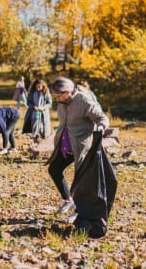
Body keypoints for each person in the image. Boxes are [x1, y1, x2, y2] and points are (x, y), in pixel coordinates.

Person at [47, 76, 109, 214]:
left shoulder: (84, 100)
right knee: (54, 169)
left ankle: (80, 211)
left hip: (82, 146)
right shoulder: (62, 103)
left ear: (67, 92)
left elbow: (102, 118)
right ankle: (69, 200)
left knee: (81, 178)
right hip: (65, 145)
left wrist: (101, 127)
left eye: (58, 95)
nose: (56, 98)